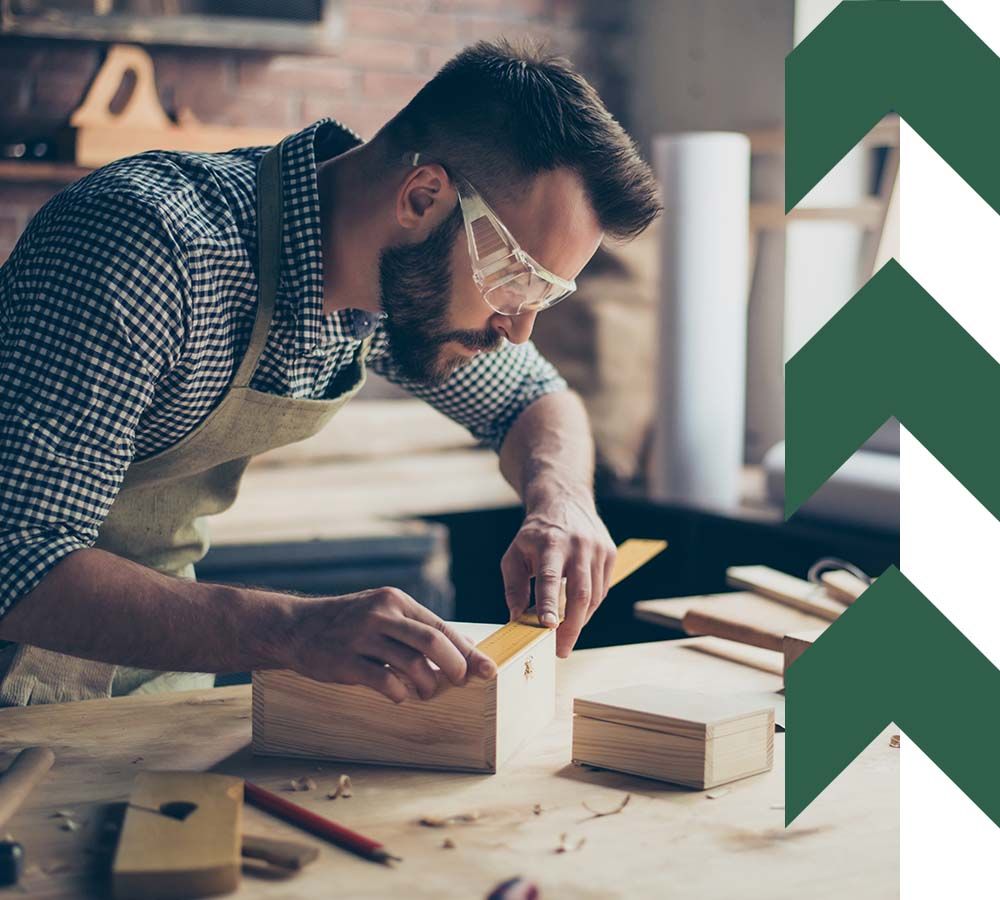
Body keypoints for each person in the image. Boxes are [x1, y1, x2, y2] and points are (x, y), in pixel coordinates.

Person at [0, 39, 660, 706]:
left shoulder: (380, 288)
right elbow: (14, 559)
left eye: (544, 296)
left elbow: (535, 396)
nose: (519, 327)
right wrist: (292, 629)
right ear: (423, 197)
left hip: (151, 683)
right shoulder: (154, 249)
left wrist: (562, 500)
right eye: (516, 279)